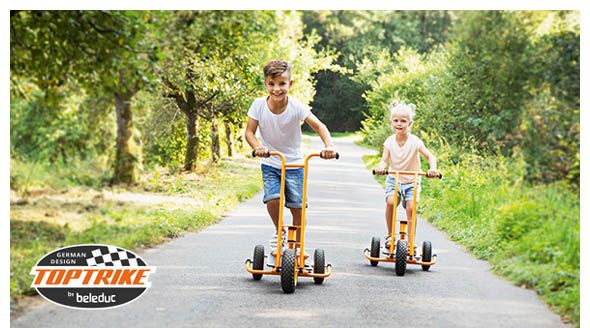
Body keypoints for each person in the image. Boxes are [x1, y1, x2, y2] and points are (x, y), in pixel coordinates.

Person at [245, 59, 336, 266]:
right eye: (271, 84)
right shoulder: (258, 105)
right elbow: (249, 132)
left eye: (282, 84)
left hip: (294, 164)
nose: (277, 89)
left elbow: (320, 126)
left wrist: (328, 145)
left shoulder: (297, 107)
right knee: (272, 199)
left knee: (297, 207)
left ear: (290, 84)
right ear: (265, 84)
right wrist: (258, 146)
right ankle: (280, 232)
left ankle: (296, 248)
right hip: (271, 161)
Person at [374, 100, 438, 251]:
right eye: (396, 121)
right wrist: (380, 168)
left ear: (409, 123)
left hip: (412, 180)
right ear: (391, 122)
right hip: (394, 179)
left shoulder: (415, 141)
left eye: (403, 121)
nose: (399, 124)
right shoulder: (389, 141)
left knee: (411, 208)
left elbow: (430, 157)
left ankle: (410, 241)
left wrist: (432, 169)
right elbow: (384, 161)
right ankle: (390, 235)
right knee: (390, 202)